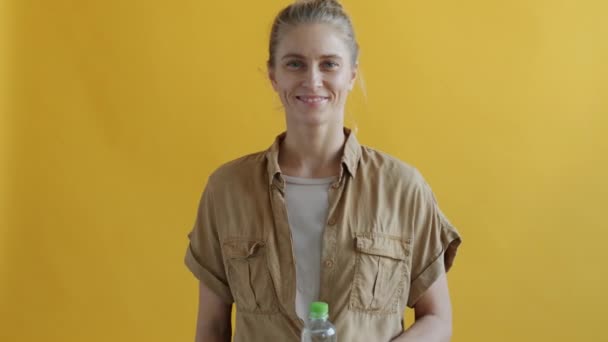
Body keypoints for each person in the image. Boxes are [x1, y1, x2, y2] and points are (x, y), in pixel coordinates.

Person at [184, 0, 462, 341]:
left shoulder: (402, 188)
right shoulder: (226, 189)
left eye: (328, 64)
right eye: (295, 64)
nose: (312, 80)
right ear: (273, 75)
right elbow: (211, 327)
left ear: (351, 74)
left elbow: (436, 319)